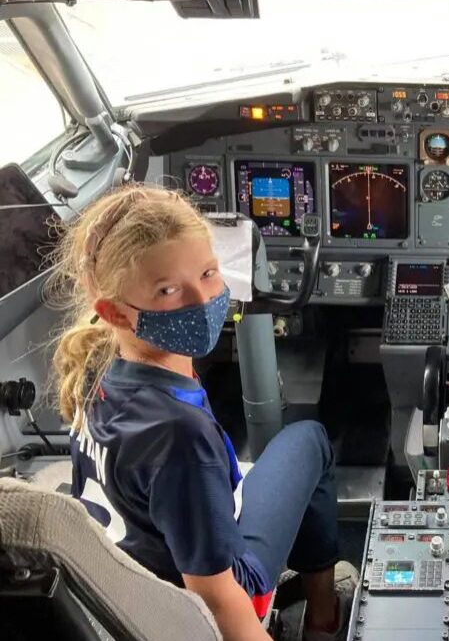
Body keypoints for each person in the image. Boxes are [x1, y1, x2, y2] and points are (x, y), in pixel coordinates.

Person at [49, 185, 355, 641]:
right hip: (201, 594)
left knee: (300, 440)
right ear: (113, 311)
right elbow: (217, 600)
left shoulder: (95, 362)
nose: (201, 300)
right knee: (309, 439)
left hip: (134, 576)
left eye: (209, 273)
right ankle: (324, 618)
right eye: (168, 289)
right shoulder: (180, 436)